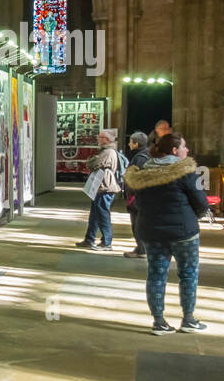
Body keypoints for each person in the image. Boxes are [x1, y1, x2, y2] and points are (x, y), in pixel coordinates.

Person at [123, 132, 210, 334]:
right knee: (188, 275)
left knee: (156, 275)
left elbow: (136, 203)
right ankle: (188, 319)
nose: (187, 151)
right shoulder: (186, 172)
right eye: (184, 147)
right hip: (183, 233)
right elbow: (202, 203)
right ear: (174, 150)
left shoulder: (143, 172)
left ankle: (159, 322)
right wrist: (191, 217)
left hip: (151, 231)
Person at [75, 129, 121, 250]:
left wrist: (91, 160)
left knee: (102, 214)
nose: (97, 139)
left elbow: (93, 163)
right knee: (95, 215)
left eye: (100, 137)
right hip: (100, 186)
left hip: (105, 187)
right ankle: (89, 239)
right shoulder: (105, 151)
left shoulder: (108, 152)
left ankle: (107, 242)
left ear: (106, 140)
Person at [122, 131, 150, 258]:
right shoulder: (148, 154)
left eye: (131, 142)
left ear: (136, 143)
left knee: (137, 224)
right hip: (144, 195)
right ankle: (142, 248)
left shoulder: (139, 158)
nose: (128, 144)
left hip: (138, 196)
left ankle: (142, 249)